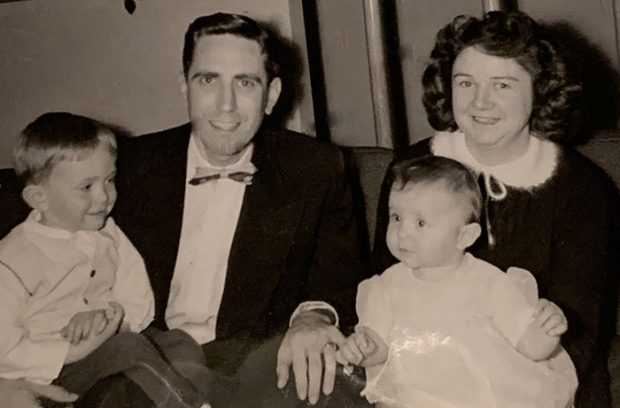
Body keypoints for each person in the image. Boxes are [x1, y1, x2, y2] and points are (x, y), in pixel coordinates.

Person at [102, 12, 369, 408]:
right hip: (146, 363)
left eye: (246, 83)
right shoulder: (127, 166)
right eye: (208, 80)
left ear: (272, 95)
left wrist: (314, 318)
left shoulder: (315, 169)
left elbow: (340, 280)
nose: (226, 106)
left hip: (255, 364)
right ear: (185, 87)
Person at [372, 10, 618, 407]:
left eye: (502, 84)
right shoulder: (415, 165)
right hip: (419, 379)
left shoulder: (580, 186)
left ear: (540, 90)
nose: (480, 102)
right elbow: (386, 282)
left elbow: (579, 330)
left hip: (535, 380)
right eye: (465, 82)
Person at [0, 112, 212, 408]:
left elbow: (136, 293)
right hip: (51, 372)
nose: (104, 197)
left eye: (109, 180)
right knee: (128, 348)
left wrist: (110, 319)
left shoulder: (107, 232)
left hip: (111, 344)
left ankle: (183, 394)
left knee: (178, 342)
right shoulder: (13, 258)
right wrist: (68, 350)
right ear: (39, 198)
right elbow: (4, 347)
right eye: (86, 187)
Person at [340, 155, 577, 407]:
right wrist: (363, 349)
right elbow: (379, 347)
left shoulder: (489, 282)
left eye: (420, 222)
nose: (403, 232)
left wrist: (546, 333)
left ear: (465, 236)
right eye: (396, 217)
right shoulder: (388, 285)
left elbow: (528, 346)